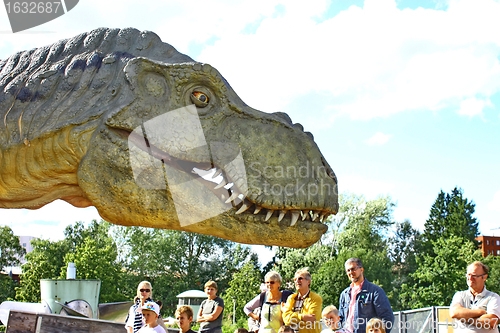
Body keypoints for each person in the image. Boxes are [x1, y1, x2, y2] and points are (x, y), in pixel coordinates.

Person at [338, 258, 394, 333]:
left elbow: (387, 317)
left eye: (353, 269)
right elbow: (340, 319)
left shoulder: (375, 291)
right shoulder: (344, 294)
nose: (351, 272)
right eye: (348, 270)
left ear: (361, 270)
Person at [450, 261, 500, 333]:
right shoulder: (459, 295)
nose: (470, 278)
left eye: (474, 275)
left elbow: (491, 321)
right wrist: (480, 312)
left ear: (484, 277)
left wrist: (464, 317)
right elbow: (454, 313)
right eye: (468, 275)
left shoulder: (493, 297)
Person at [283, 268, 323, 333]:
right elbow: (286, 319)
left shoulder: (315, 298)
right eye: (295, 279)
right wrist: (302, 317)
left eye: (300, 278)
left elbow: (310, 321)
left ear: (308, 282)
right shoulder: (291, 298)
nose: (297, 281)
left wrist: (292, 318)